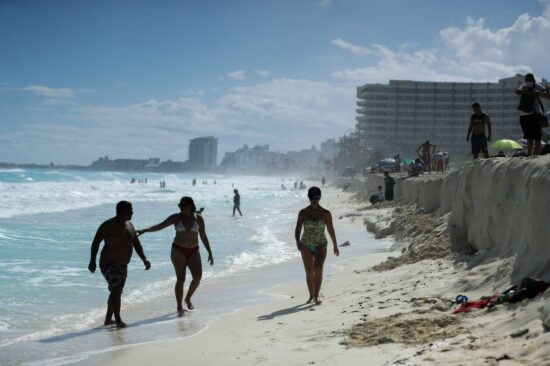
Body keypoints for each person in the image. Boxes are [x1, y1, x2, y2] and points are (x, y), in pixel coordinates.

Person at [137, 197, 213, 311]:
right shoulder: (176, 217)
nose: (182, 208)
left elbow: (203, 236)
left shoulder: (199, 219)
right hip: (178, 251)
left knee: (197, 278)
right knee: (180, 279)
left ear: (191, 206)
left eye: (184, 206)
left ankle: (188, 298)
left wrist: (209, 252)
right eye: (180, 206)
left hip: (194, 251)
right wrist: (145, 230)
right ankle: (179, 306)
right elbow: (159, 226)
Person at [88, 201, 151, 327]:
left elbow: (137, 244)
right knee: (116, 289)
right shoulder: (108, 225)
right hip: (108, 262)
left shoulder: (130, 226)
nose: (132, 213)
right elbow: (96, 242)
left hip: (123, 265)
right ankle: (118, 320)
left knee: (116, 291)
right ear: (121, 212)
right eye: (130, 211)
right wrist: (92, 261)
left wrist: (144, 259)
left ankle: (107, 320)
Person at [295, 187, 339, 305]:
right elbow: (298, 228)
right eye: (312, 199)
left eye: (317, 199)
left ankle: (316, 296)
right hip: (306, 245)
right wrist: (297, 241)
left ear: (320, 198)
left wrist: (335, 245)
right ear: (309, 198)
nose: (315, 201)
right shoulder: (303, 213)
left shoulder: (325, 213)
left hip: (321, 244)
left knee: (318, 269)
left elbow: (330, 229)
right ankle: (311, 295)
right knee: (309, 272)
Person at [516, 73, 550, 156]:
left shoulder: (538, 86)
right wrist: (526, 91)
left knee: (537, 137)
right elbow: (517, 91)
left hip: (535, 114)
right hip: (524, 116)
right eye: (527, 80)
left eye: (530, 80)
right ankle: (530, 155)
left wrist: (538, 93)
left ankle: (536, 156)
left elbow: (547, 95)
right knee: (529, 137)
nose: (528, 82)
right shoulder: (524, 86)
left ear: (533, 80)